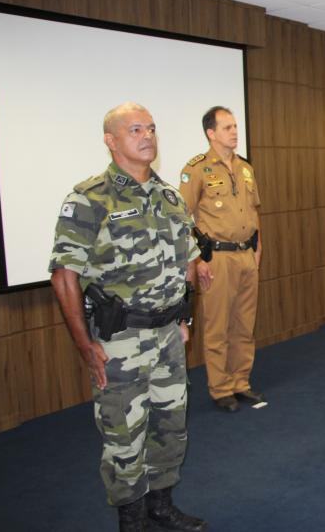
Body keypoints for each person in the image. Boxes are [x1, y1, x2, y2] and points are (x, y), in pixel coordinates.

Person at [49, 102, 207, 531]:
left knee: (171, 427)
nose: (147, 136)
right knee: (123, 435)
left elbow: (186, 264)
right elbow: (65, 277)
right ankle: (131, 518)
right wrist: (85, 345)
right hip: (120, 342)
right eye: (135, 129)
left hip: (169, 337)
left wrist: (184, 318)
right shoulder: (89, 198)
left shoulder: (170, 196)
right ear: (111, 140)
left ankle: (161, 503)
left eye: (152, 128)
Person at [180, 106, 263, 413]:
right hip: (216, 258)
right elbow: (181, 218)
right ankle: (221, 388)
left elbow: (254, 211)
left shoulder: (245, 168)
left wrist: (259, 247)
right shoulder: (197, 169)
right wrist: (197, 261)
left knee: (244, 324)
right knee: (218, 327)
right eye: (227, 127)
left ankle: (241, 382)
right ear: (211, 133)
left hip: (245, 255)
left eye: (235, 126)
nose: (234, 132)